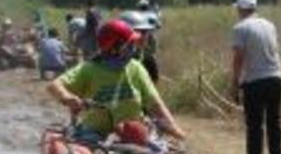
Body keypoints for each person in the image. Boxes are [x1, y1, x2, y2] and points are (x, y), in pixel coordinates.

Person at [47, 19, 186, 142]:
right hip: (95, 135)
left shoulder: (136, 68)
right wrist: (67, 97)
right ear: (116, 48)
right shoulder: (89, 69)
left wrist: (175, 129)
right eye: (130, 44)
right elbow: (54, 85)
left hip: (134, 133)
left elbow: (155, 104)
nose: (134, 47)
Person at [227, 0, 281, 154]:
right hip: (276, 77)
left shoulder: (240, 28)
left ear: (240, 9)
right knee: (274, 120)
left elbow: (238, 58)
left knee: (254, 124)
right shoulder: (270, 25)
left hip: (255, 80)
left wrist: (234, 83)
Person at [119, 10, 160, 82]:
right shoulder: (107, 60)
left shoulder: (148, 60)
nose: (144, 36)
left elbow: (153, 82)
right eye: (139, 31)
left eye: (144, 31)